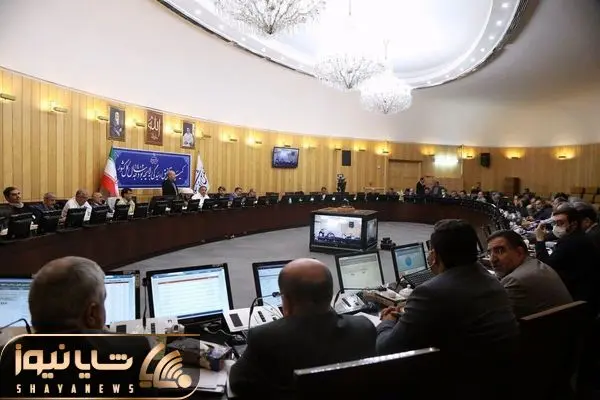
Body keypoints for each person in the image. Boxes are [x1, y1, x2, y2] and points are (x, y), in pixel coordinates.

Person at [376, 220, 518, 397]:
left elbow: (387, 349)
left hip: (459, 387)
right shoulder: (492, 280)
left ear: (434, 255)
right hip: (502, 382)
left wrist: (387, 323)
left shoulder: (430, 292)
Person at [229, 258, 376, 398]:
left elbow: (238, 384)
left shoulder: (264, 337)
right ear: (330, 294)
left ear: (286, 300)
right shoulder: (364, 327)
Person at [487, 230, 572, 318]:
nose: (492, 259)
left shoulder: (515, 281)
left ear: (519, 252)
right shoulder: (535, 264)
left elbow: (493, 319)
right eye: (489, 253)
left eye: (500, 251)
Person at [535, 204, 600, 312]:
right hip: (586, 295)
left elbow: (546, 267)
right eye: (555, 223)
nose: (557, 226)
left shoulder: (571, 241)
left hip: (578, 301)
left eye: (561, 223)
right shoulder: (579, 236)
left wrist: (540, 240)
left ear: (574, 224)